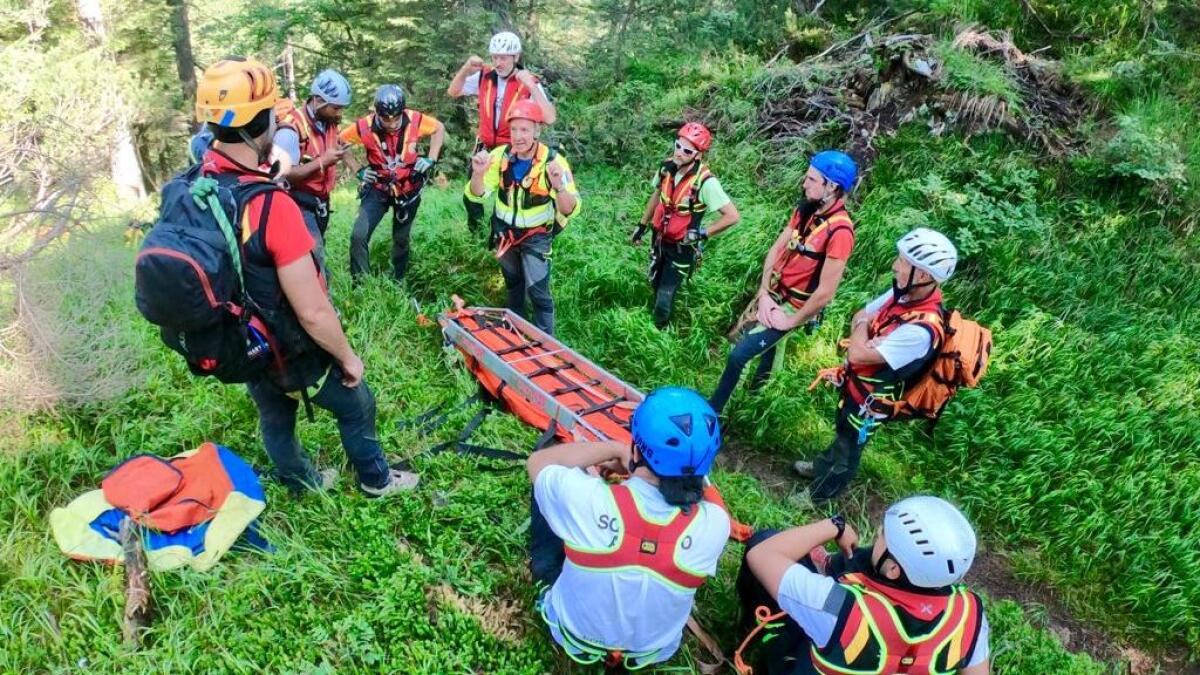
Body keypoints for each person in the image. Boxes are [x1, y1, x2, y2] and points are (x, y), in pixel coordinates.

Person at [195, 57, 418, 498]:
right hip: (287, 341)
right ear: (259, 123)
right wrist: (348, 358)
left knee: (274, 413)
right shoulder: (272, 205)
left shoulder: (198, 185)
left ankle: (300, 480)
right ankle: (377, 480)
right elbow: (314, 310)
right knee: (357, 403)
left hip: (242, 339)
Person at [527, 387, 730, 670]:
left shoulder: (588, 498)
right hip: (652, 650)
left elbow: (539, 462)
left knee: (549, 491)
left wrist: (615, 449)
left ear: (637, 448)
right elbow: (710, 496)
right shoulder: (716, 525)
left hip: (573, 634)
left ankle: (543, 574)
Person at [736, 496, 990, 674]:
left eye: (883, 536)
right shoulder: (970, 616)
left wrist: (835, 526)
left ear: (893, 570)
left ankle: (759, 633)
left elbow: (762, 554)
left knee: (764, 539)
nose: (879, 532)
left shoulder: (838, 606)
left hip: (832, 634)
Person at [798, 228, 959, 502]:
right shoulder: (902, 294)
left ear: (922, 275)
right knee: (842, 433)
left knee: (850, 450)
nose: (895, 266)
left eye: (903, 262)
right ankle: (821, 467)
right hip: (856, 387)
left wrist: (863, 332)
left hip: (871, 403)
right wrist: (864, 331)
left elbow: (857, 354)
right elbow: (860, 315)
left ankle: (818, 496)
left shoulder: (921, 330)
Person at [709, 151, 857, 414]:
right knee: (768, 351)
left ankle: (715, 412)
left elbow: (826, 292)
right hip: (773, 294)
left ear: (831, 187)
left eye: (812, 179)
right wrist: (764, 292)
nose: (804, 183)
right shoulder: (806, 210)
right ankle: (756, 401)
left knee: (739, 355)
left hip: (792, 307)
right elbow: (776, 249)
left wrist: (790, 321)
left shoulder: (840, 232)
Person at [464, 100, 579, 335]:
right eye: (514, 129)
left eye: (525, 130)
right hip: (505, 233)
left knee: (538, 291)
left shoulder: (554, 162)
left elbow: (569, 209)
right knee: (513, 283)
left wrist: (559, 187)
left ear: (537, 131)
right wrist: (478, 174)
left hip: (536, 236)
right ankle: (514, 331)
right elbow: (477, 195)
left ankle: (546, 342)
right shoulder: (499, 157)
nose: (518, 136)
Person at [631, 123, 740, 328]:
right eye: (678, 146)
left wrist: (702, 234)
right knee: (655, 281)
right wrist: (642, 225)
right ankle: (657, 313)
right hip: (660, 239)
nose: (679, 153)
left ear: (697, 155)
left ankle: (658, 332)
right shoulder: (666, 168)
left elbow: (732, 216)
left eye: (687, 150)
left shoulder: (706, 183)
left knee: (665, 296)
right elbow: (657, 196)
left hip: (682, 247)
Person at [447, 31, 556, 234]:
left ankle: (508, 234)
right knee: (471, 194)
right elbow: (453, 91)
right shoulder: (485, 76)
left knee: (508, 195)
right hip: (487, 146)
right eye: (495, 57)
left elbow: (549, 117)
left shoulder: (527, 81)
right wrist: (465, 69)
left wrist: (531, 86)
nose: (498, 62)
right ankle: (478, 232)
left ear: (516, 57)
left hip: (514, 148)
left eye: (503, 57)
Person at [340, 84, 445, 283]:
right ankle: (361, 285)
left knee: (401, 239)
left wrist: (431, 158)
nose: (391, 123)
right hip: (378, 189)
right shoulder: (364, 126)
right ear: (377, 113)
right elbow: (341, 142)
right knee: (358, 235)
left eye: (395, 118)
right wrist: (358, 169)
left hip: (408, 190)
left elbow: (439, 128)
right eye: (385, 118)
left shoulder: (415, 120)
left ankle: (399, 280)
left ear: (402, 111)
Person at [274, 69, 353, 259]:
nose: (339, 113)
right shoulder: (291, 129)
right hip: (299, 203)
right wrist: (322, 162)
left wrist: (357, 170)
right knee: (314, 257)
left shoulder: (329, 122)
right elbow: (283, 173)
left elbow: (341, 146)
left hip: (321, 204)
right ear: (318, 100)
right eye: (335, 108)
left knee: (317, 251)